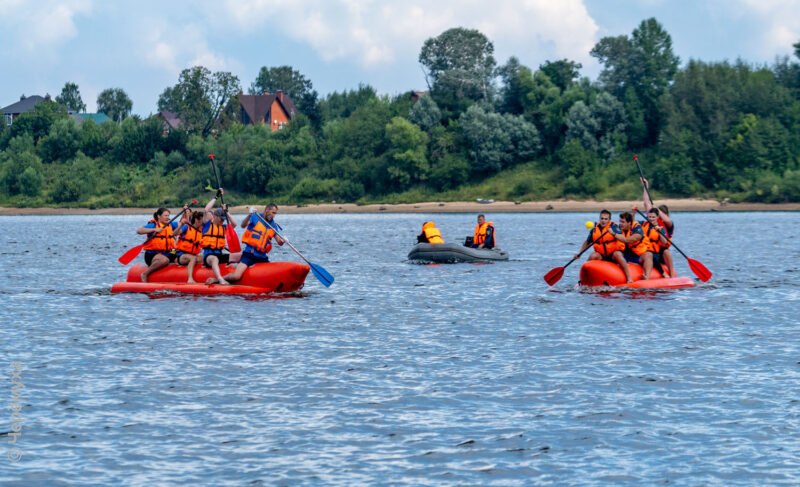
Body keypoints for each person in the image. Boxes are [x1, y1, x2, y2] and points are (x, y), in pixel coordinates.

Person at [220, 203, 286, 284]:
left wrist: (284, 241)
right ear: (267, 210)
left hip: (262, 257)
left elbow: (279, 242)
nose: (274, 215)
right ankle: (218, 279)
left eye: (275, 213)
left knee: (271, 274)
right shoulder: (255, 217)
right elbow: (243, 225)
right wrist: (249, 215)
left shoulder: (273, 225)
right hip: (249, 254)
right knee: (236, 276)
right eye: (273, 212)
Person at [575, 209, 631, 283]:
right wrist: (580, 253)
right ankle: (583, 279)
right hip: (602, 255)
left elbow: (623, 239)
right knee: (593, 255)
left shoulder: (614, 228)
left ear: (609, 220)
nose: (603, 221)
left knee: (617, 254)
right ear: (599, 219)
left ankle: (629, 278)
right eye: (602, 218)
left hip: (613, 254)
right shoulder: (594, 230)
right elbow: (587, 242)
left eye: (606, 219)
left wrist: (613, 234)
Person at [201, 190, 241, 285]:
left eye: (224, 219)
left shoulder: (223, 228)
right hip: (208, 256)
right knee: (215, 259)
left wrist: (227, 212)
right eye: (221, 219)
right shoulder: (207, 225)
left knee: (240, 255)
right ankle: (220, 279)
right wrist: (216, 197)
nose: (222, 221)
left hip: (220, 254)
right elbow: (206, 210)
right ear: (215, 216)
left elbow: (234, 224)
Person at [136, 206, 182, 282]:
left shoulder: (171, 224)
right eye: (165, 215)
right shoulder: (154, 225)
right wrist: (155, 229)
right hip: (152, 254)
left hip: (169, 252)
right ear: (159, 216)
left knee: (179, 257)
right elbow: (139, 231)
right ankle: (145, 273)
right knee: (165, 260)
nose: (167, 218)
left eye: (168, 216)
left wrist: (186, 214)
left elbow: (182, 223)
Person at [613, 211, 654, 280]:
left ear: (629, 223)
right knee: (616, 253)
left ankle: (646, 277)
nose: (620, 224)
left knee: (649, 254)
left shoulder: (637, 229)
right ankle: (628, 276)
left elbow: (628, 240)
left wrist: (614, 234)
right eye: (620, 221)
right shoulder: (616, 227)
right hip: (623, 255)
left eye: (623, 222)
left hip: (636, 255)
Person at [640, 207, 676, 278]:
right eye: (649, 217)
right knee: (649, 254)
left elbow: (664, 242)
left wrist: (659, 232)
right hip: (644, 251)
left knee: (666, 252)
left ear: (657, 217)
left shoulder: (661, 228)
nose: (651, 219)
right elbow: (631, 223)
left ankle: (671, 274)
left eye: (653, 217)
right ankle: (658, 274)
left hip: (655, 252)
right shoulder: (643, 224)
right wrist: (633, 213)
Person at [174, 210, 204, 283]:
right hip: (181, 255)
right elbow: (174, 233)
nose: (203, 222)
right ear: (197, 220)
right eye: (202, 220)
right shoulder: (187, 227)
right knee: (193, 258)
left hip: (193, 255)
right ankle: (190, 279)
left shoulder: (201, 231)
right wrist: (181, 224)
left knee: (205, 258)